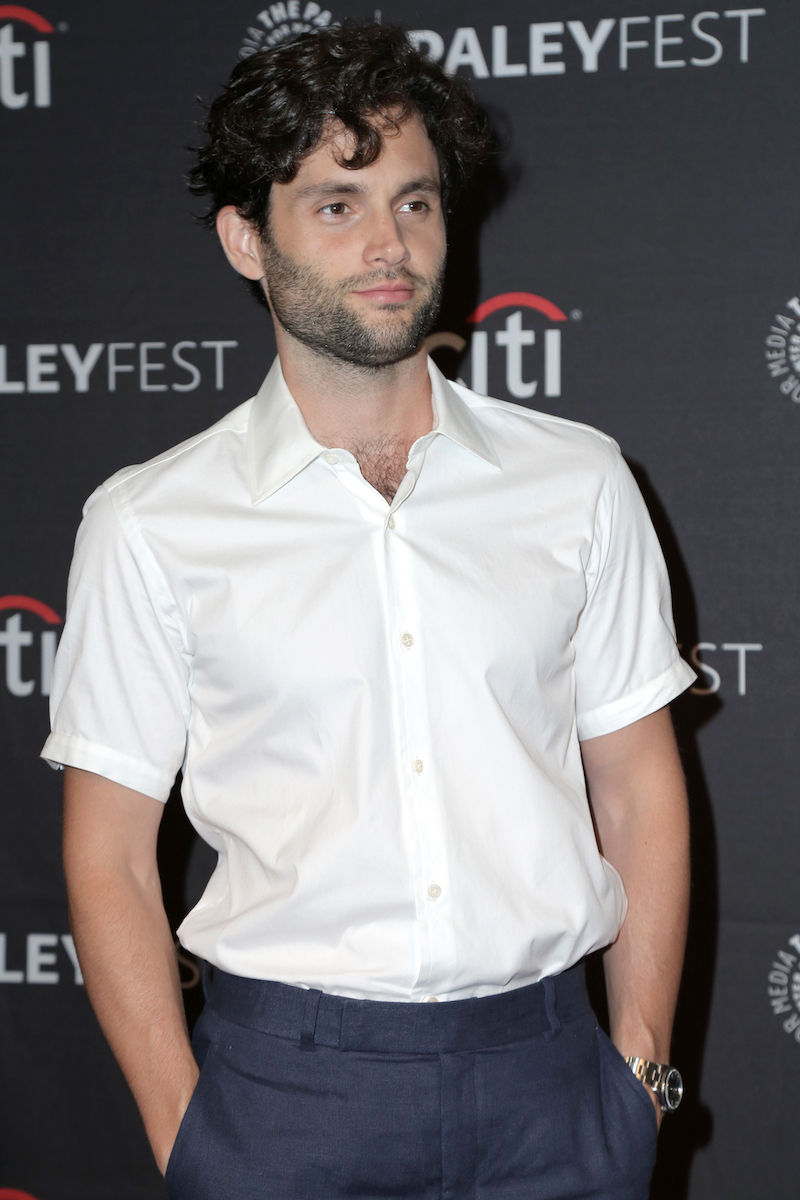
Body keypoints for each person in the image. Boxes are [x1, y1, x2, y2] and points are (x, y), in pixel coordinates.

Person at [43, 22, 695, 1200]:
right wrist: (191, 1137)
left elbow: (638, 784)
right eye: (335, 206)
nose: (389, 245)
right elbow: (109, 854)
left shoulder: (578, 480)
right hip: (283, 1100)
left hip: (555, 1086)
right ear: (248, 238)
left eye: (415, 202)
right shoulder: (150, 523)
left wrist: (636, 1072)